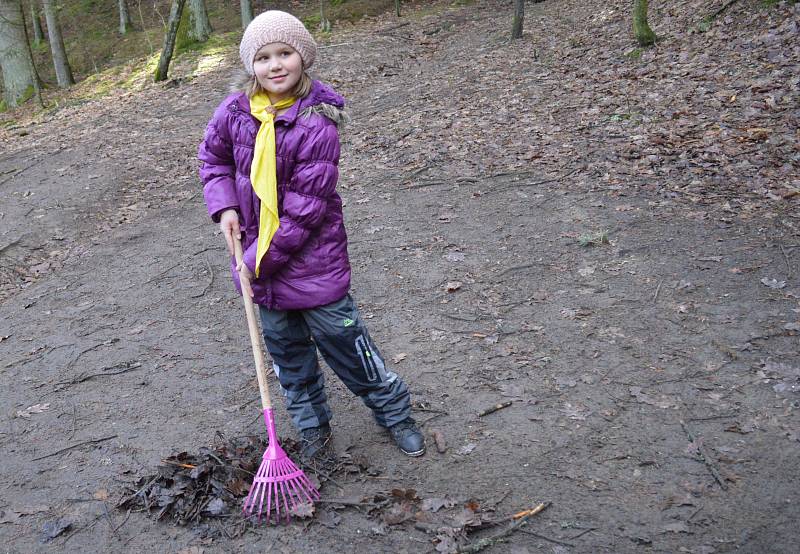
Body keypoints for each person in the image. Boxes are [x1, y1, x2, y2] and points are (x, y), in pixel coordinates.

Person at [198, 10, 425, 461]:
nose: (275, 65)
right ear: (250, 65)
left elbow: (304, 213)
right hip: (260, 268)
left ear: (303, 58)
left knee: (348, 346)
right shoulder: (234, 112)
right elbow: (213, 160)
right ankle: (313, 431)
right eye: (263, 57)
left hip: (310, 263)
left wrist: (254, 264)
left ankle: (395, 413)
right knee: (288, 358)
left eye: (285, 53)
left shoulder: (317, 122)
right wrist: (224, 205)